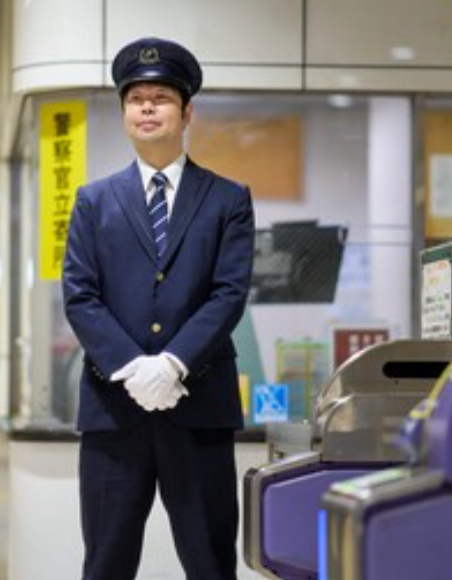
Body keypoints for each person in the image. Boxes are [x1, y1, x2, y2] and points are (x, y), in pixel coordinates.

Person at [62, 36, 255, 580]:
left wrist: (172, 364)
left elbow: (228, 292)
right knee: (105, 563)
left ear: (187, 112)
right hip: (113, 410)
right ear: (125, 113)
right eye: (136, 99)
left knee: (210, 564)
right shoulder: (93, 201)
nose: (147, 108)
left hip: (199, 406)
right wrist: (132, 368)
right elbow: (80, 294)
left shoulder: (227, 199)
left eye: (161, 98)